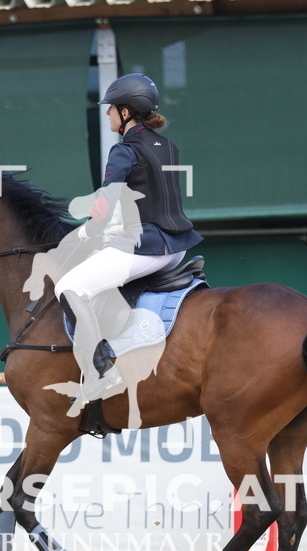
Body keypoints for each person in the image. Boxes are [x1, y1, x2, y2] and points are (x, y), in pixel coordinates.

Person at [52, 73, 204, 413]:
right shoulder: (168, 146)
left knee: (70, 287)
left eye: (110, 110)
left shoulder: (123, 151)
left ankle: (100, 370)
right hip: (177, 248)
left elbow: (105, 203)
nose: (106, 115)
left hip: (148, 247)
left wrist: (89, 232)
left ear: (126, 112)